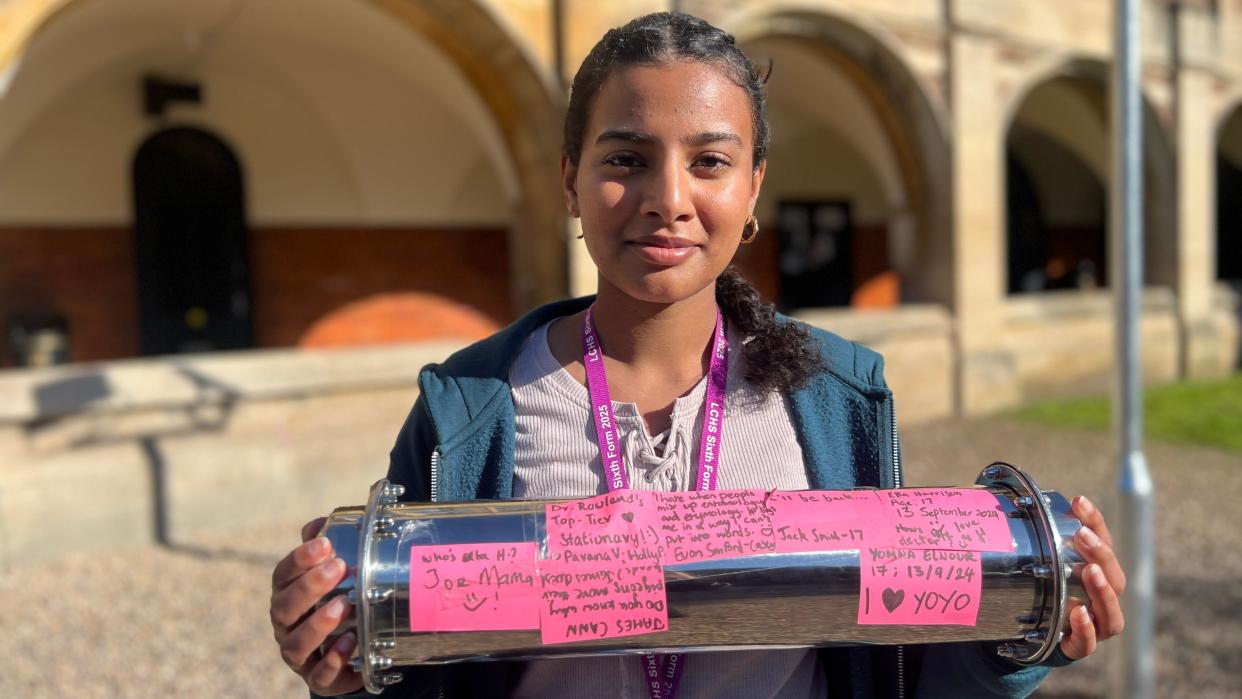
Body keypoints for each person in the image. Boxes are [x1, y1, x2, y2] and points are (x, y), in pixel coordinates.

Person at [269, 12, 1126, 698]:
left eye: (709, 160)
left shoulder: (834, 397)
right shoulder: (472, 406)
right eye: (626, 159)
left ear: (753, 184)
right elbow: (418, 661)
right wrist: (344, 666)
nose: (667, 199)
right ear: (570, 178)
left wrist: (1027, 632)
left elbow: (898, 658)